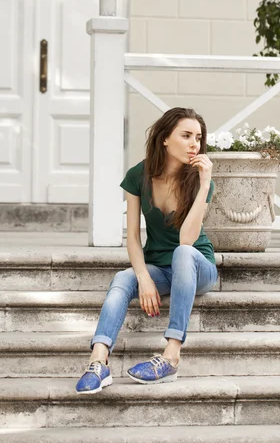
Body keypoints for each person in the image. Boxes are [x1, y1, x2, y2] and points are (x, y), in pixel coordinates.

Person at [76, 107, 217, 394]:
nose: (194, 144)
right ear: (165, 138)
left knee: (182, 254)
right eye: (186, 135)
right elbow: (133, 237)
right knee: (122, 278)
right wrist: (143, 277)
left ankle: (171, 355)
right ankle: (98, 361)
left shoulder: (201, 182)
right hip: (160, 267)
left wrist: (204, 186)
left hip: (196, 266)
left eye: (199, 138)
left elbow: (187, 242)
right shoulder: (138, 175)